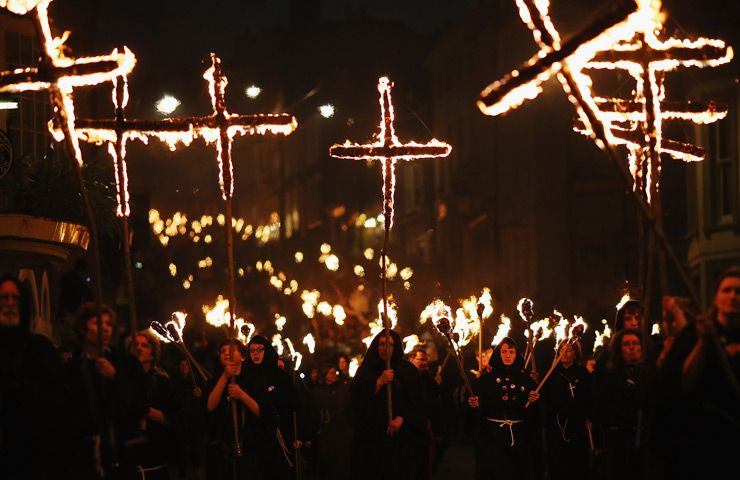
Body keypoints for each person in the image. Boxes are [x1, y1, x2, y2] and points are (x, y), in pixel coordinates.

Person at [657, 266, 740, 478]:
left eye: (738, 292)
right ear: (716, 297)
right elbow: (682, 384)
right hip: (704, 439)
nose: (733, 296)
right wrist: (704, 341)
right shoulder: (694, 333)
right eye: (727, 290)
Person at [65, 301, 149, 479]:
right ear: (82, 329)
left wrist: (115, 377)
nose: (105, 328)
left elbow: (140, 403)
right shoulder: (72, 369)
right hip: (86, 460)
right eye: (97, 323)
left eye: (108, 324)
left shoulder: (127, 363)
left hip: (122, 455)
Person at [0, 274, 67, 479]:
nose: (10, 304)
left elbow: (58, 401)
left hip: (33, 454)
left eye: (16, 298)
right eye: (4, 298)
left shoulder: (40, 348)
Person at [349, 330, 425, 480]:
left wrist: (402, 418)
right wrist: (378, 382)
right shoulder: (366, 371)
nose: (385, 348)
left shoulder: (408, 370)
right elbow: (355, 400)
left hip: (403, 438)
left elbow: (418, 402)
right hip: (374, 438)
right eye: (382, 344)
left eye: (390, 344)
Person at [467, 337, 540, 480]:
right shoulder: (484, 380)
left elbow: (535, 414)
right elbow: (474, 411)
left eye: (511, 352)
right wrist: (474, 405)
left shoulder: (526, 380)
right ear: (498, 354)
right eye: (504, 351)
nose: (507, 355)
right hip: (493, 437)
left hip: (519, 437)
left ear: (516, 354)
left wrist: (534, 401)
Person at [591, 329, 656, 480]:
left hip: (644, 440)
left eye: (635, 343)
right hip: (619, 440)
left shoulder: (650, 374)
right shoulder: (611, 376)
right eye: (626, 344)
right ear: (619, 349)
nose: (631, 347)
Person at [242, 335, 300, 480]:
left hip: (278, 436)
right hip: (253, 439)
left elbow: (293, 405)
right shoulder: (245, 377)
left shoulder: (281, 377)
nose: (255, 354)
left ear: (266, 350)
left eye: (259, 350)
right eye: (252, 350)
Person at [204, 339, 261, 480]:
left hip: (249, 449)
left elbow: (260, 411)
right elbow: (210, 406)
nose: (226, 353)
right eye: (222, 351)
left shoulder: (253, 380)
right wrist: (225, 377)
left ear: (242, 356)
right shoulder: (214, 381)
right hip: (223, 453)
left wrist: (240, 394)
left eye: (230, 350)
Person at [541, 341, 592, 480]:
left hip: (577, 423)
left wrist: (588, 417)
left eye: (568, 350)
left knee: (577, 461)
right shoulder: (551, 374)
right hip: (557, 424)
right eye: (562, 350)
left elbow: (590, 397)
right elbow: (545, 398)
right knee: (557, 461)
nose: (564, 353)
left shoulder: (583, 373)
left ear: (575, 354)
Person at [133, 329, 179, 479]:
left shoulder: (161, 382)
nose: (139, 348)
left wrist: (149, 412)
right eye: (136, 345)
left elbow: (175, 419)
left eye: (144, 345)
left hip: (156, 455)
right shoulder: (125, 381)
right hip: (132, 455)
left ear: (153, 352)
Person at [311, 362, 352, 480]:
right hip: (327, 435)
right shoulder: (318, 392)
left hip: (342, 433)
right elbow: (315, 412)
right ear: (325, 375)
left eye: (335, 373)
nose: (334, 375)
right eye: (331, 373)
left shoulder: (341, 388)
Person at [407, 345, 442, 480]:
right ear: (411, 359)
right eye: (421, 360)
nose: (424, 363)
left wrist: (436, 384)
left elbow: (433, 402)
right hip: (410, 427)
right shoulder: (406, 377)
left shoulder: (427, 377)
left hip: (426, 427)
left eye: (426, 360)